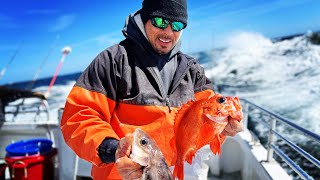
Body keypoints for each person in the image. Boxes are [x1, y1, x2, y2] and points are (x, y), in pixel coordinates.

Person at [60, 0, 243, 179]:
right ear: (145, 18)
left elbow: (207, 118)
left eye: (177, 25)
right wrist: (114, 149)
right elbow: (78, 117)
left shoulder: (192, 70)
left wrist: (223, 128)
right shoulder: (113, 61)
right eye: (161, 22)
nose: (168, 32)